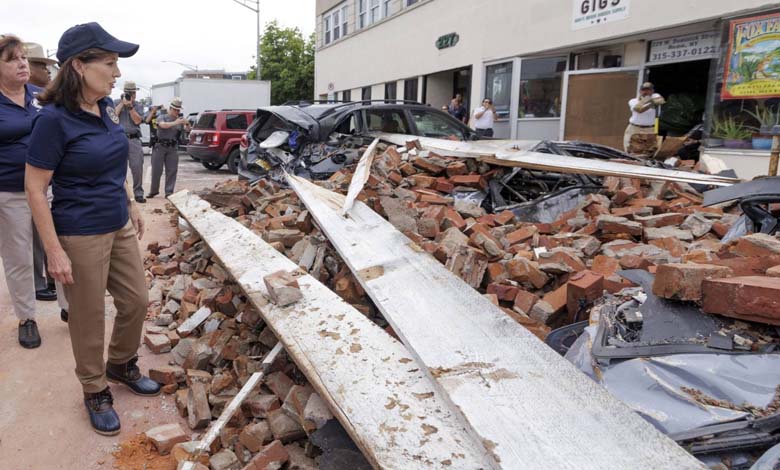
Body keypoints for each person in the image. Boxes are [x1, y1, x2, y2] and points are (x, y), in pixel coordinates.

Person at [25, 22, 160, 437]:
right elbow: (34, 186)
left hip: (117, 222)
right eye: (110, 63)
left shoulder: (105, 109)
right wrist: (54, 250)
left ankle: (119, 364)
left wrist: (132, 203)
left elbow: (114, 162)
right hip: (80, 231)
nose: (117, 73)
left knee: (136, 300)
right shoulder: (53, 120)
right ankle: (94, 388)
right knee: (87, 316)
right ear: (80, 66)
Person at [0, 34, 42, 349]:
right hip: (10, 192)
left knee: (64, 248)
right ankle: (27, 319)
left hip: (50, 188)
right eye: (12, 59)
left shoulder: (42, 96)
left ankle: (71, 308)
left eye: (23, 57)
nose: (22, 64)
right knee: (19, 257)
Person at [24, 42, 59, 304]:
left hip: (48, 175)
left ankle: (48, 279)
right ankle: (38, 283)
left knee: (44, 230)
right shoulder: (26, 95)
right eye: (40, 66)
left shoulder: (46, 95)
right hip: (22, 178)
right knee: (30, 237)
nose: (47, 72)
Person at [148, 97, 189, 198]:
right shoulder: (162, 117)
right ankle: (154, 191)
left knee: (172, 170)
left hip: (172, 147)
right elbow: (163, 125)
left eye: (178, 110)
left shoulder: (179, 120)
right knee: (156, 170)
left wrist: (187, 123)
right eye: (175, 109)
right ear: (170, 108)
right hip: (160, 146)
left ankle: (169, 192)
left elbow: (188, 129)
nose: (176, 111)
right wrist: (176, 122)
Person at [115, 81, 146, 203]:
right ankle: (120, 194)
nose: (132, 95)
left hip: (133, 139)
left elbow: (138, 121)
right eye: (129, 93)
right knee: (118, 168)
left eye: (133, 92)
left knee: (137, 167)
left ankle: (138, 193)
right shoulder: (115, 103)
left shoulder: (138, 105)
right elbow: (113, 117)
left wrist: (130, 107)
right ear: (124, 92)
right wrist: (122, 104)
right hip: (119, 139)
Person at [624, 82, 665, 158]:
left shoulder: (656, 95)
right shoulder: (633, 101)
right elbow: (639, 109)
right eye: (643, 90)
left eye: (648, 90)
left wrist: (648, 101)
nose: (646, 92)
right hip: (634, 128)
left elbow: (660, 100)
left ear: (652, 91)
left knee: (650, 150)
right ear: (640, 91)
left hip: (651, 128)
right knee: (630, 149)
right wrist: (648, 100)